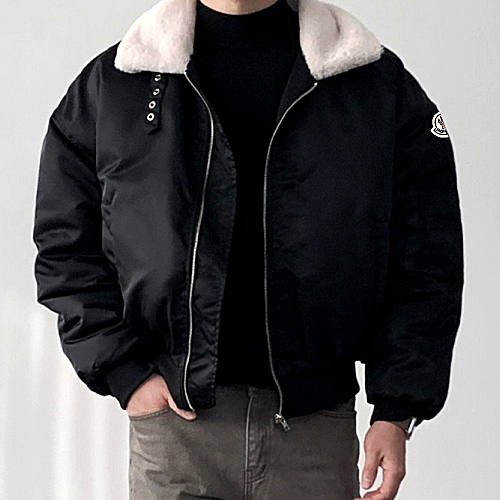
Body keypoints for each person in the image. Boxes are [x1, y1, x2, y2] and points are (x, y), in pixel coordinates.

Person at [32, 0, 464, 498]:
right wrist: (126, 373)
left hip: (314, 434)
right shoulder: (117, 85)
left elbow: (426, 256)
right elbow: (65, 246)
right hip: (175, 435)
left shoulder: (372, 84)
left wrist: (397, 408)